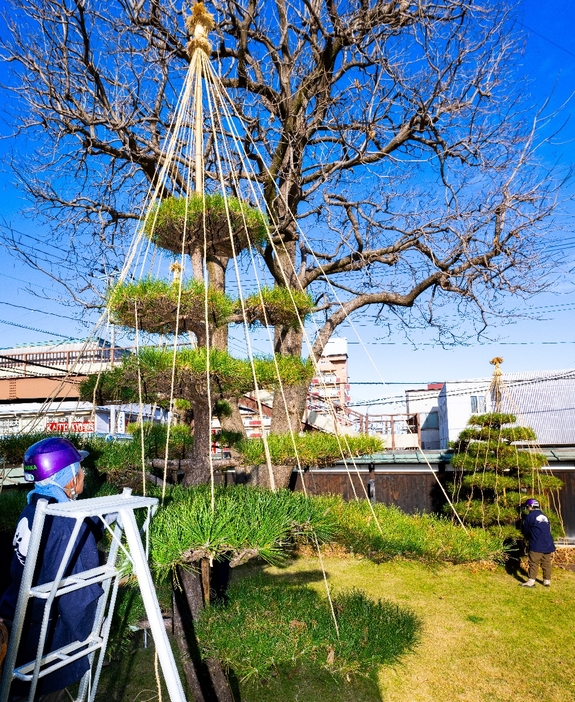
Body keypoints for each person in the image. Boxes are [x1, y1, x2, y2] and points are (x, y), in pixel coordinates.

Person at [0, 437, 103, 701]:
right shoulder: (68, 523)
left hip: (14, 623)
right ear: (69, 479)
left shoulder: (33, 508)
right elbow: (77, 598)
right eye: (79, 468)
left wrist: (99, 521)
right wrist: (88, 629)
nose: (83, 474)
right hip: (42, 641)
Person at [520, 498, 556, 588]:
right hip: (548, 544)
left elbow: (525, 530)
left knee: (533, 562)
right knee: (546, 563)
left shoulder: (530, 516)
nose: (527, 508)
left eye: (527, 507)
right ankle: (547, 581)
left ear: (531, 506)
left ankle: (531, 581)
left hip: (536, 543)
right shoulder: (544, 516)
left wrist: (526, 536)